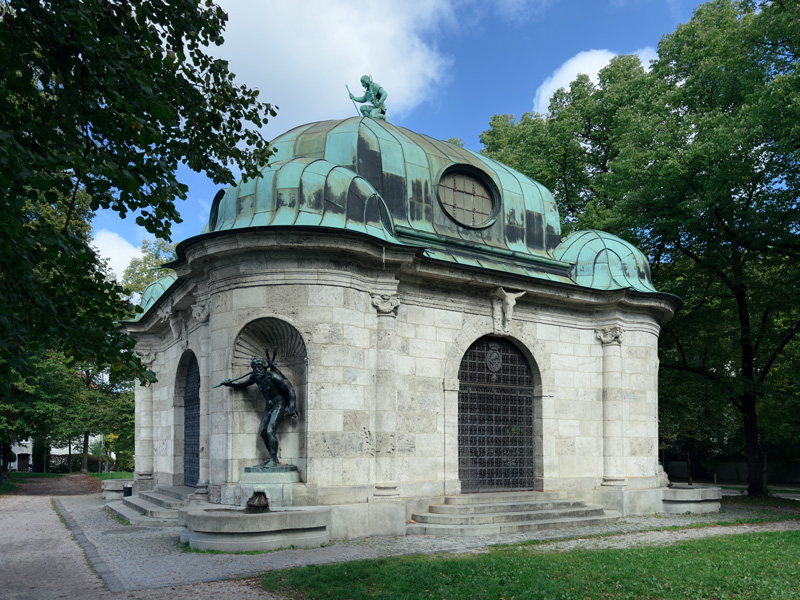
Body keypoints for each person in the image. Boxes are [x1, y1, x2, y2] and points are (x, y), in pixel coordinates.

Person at [221, 357, 299, 467]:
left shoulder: (273, 376)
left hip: (279, 404)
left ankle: (273, 459)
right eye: (254, 367)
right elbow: (243, 384)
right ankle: (274, 459)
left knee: (270, 431)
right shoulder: (255, 377)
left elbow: (289, 389)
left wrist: (291, 406)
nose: (256, 369)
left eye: (258, 367)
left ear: (264, 367)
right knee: (263, 433)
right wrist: (230, 384)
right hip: (269, 406)